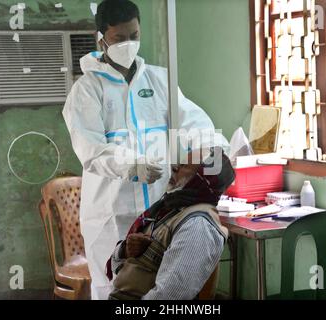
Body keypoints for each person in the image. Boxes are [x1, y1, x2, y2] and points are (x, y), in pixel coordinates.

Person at [62, 0, 228, 299]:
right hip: (112, 216)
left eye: (134, 36)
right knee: (116, 290)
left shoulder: (160, 79)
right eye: (119, 38)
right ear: (101, 38)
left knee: (160, 289)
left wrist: (211, 152)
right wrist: (132, 165)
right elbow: (92, 150)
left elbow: (195, 123)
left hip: (159, 211)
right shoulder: (87, 90)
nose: (128, 44)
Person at [107, 148, 234, 300]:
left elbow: (169, 297)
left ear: (201, 178)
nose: (174, 168)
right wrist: (125, 251)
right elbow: (116, 267)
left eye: (184, 166)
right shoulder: (167, 209)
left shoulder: (198, 226)